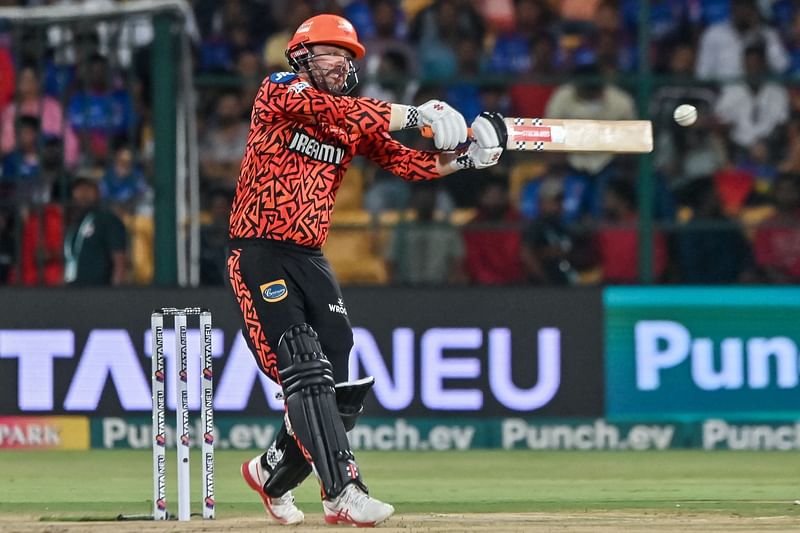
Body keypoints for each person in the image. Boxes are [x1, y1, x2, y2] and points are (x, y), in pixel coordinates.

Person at [227, 13, 506, 527]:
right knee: (304, 365)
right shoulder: (279, 88)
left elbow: (409, 164)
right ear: (302, 57)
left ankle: (270, 475)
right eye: (331, 54)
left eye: (348, 56)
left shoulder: (350, 118)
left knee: (335, 379)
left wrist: (468, 156)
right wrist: (417, 114)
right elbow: (329, 108)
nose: (340, 63)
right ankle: (343, 493)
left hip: (309, 256)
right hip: (259, 249)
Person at [64, 177, 127, 286]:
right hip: (73, 289)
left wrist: (115, 294)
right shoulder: (75, 223)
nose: (83, 194)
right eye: (79, 189)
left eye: (87, 189)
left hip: (99, 290)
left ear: (97, 192)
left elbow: (119, 260)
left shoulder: (107, 219)